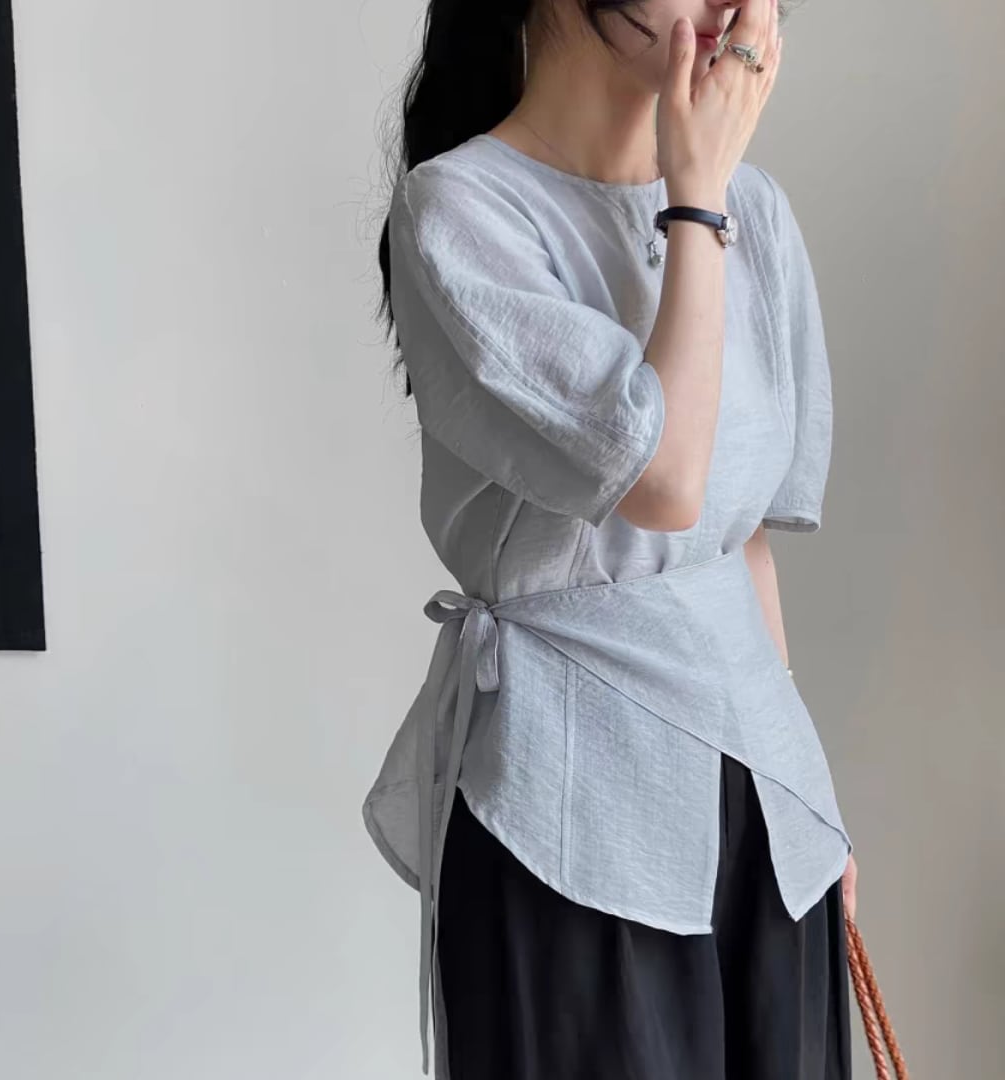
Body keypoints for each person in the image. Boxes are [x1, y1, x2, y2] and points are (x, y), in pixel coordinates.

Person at [362, 0, 858, 1076]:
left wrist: (806, 799)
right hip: (574, 807)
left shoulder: (755, 212)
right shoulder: (462, 211)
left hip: (764, 812)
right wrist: (694, 200)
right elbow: (663, 479)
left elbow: (740, 539)